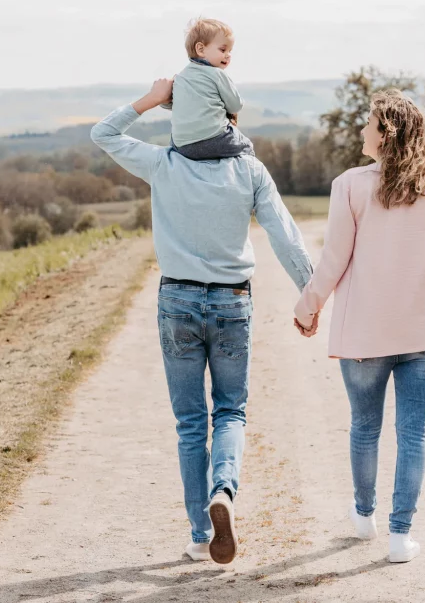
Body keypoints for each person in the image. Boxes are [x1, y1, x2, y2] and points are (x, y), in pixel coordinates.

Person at [90, 77, 312, 564]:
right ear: (229, 118)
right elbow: (286, 237)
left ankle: (198, 535)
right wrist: (310, 294)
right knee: (230, 410)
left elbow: (102, 134)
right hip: (233, 302)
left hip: (177, 301)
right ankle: (224, 493)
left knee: (191, 422)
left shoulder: (163, 164)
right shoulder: (250, 170)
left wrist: (151, 100)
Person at [293, 89, 425, 564]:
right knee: (413, 433)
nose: (361, 130)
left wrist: (308, 306)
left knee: (365, 427)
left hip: (365, 336)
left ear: (384, 132)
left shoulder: (350, 184)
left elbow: (335, 258)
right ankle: (400, 537)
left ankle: (363, 516)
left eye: (367, 123)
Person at [159, 18, 255, 161]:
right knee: (247, 147)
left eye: (230, 51)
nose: (228, 55)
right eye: (223, 49)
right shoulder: (217, 74)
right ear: (201, 49)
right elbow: (235, 105)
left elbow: (166, 103)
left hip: (181, 146)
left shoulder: (180, 77)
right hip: (213, 140)